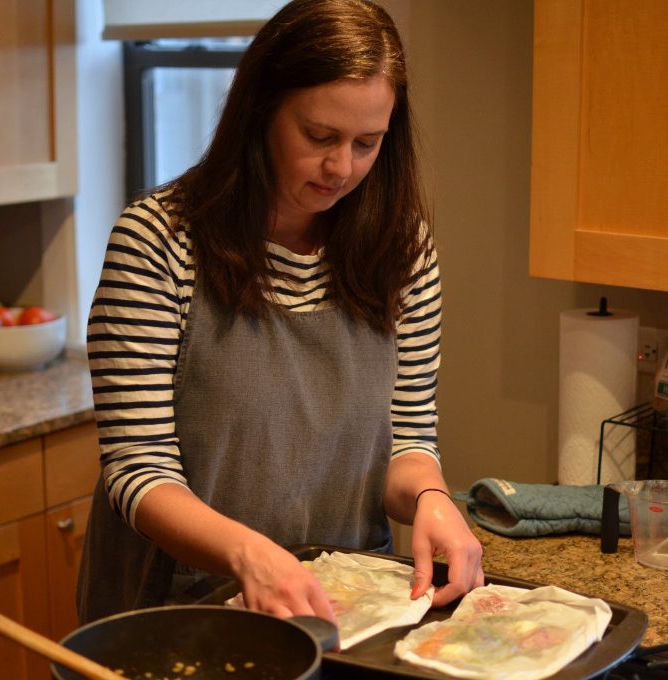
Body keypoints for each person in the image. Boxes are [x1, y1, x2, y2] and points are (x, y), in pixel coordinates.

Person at [77, 0, 483, 627]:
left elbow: (405, 435)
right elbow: (137, 468)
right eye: (319, 136)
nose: (341, 167)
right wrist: (250, 555)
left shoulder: (401, 249)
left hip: (343, 597)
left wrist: (431, 496)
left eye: (366, 143)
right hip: (184, 604)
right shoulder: (159, 241)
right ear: (261, 112)